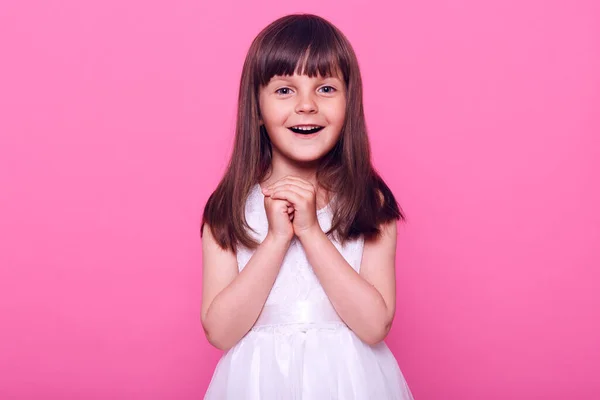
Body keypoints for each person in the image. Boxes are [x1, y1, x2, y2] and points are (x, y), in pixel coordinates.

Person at [200, 13, 415, 399]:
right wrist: (276, 240)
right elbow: (220, 331)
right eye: (285, 90)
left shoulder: (369, 201)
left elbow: (373, 325)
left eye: (326, 89)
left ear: (350, 101)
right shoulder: (229, 207)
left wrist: (311, 231)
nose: (306, 105)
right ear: (256, 110)